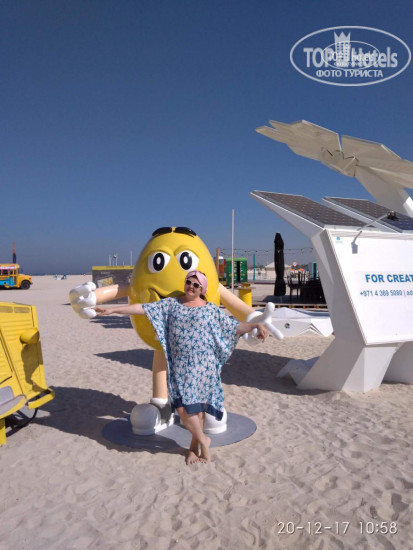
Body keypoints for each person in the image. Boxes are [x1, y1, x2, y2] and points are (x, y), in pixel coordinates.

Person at [95, 270, 267, 465]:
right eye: (188, 282)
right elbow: (143, 308)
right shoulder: (171, 304)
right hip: (180, 365)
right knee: (183, 407)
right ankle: (204, 440)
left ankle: (194, 448)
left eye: (196, 284)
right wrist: (113, 310)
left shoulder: (210, 310)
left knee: (198, 408)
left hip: (205, 366)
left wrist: (254, 325)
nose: (191, 286)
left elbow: (232, 327)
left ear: (202, 289)